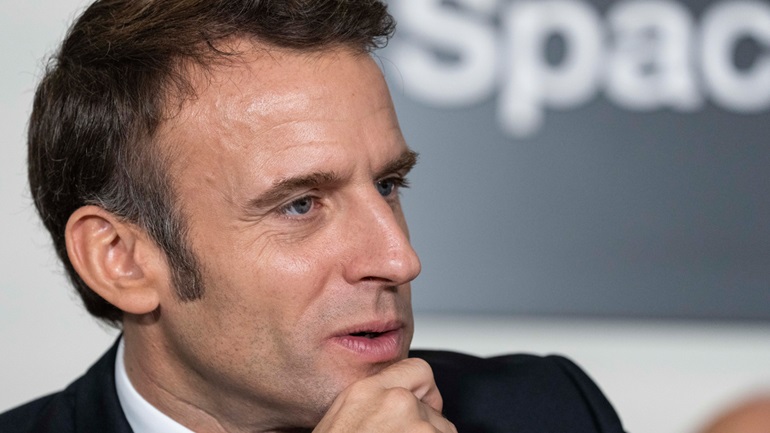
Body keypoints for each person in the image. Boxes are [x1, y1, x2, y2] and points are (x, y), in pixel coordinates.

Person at [0, 1, 626, 432]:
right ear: (121, 260)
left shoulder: (549, 411)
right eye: (300, 204)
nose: (399, 259)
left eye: (387, 184)